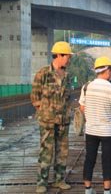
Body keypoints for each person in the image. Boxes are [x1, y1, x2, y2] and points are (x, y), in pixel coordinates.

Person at [31, 41, 73, 193]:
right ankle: (42, 182)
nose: (69, 59)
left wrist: (67, 114)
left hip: (63, 121)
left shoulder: (67, 75)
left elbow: (68, 98)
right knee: (46, 151)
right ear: (59, 55)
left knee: (62, 151)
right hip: (47, 121)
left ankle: (59, 180)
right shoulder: (43, 74)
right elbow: (35, 98)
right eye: (68, 56)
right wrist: (45, 113)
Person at [79, 56, 111, 194]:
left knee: (89, 158)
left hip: (91, 130)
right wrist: (108, 116)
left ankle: (88, 189)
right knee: (107, 160)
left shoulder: (87, 86)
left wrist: (92, 115)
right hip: (108, 131)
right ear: (108, 70)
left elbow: (82, 107)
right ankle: (107, 190)